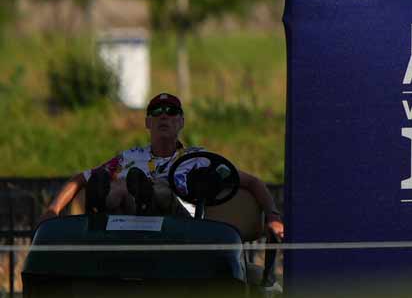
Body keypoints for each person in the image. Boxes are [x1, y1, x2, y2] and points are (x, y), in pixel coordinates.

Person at [40, 92, 284, 241]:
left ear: (181, 121)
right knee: (115, 185)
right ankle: (104, 208)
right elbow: (80, 179)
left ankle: (147, 198)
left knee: (158, 189)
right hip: (126, 232)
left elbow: (252, 182)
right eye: (156, 112)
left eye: (171, 112)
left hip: (179, 231)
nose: (164, 116)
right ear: (148, 122)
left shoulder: (198, 158)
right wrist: (52, 211)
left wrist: (272, 216)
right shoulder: (129, 157)